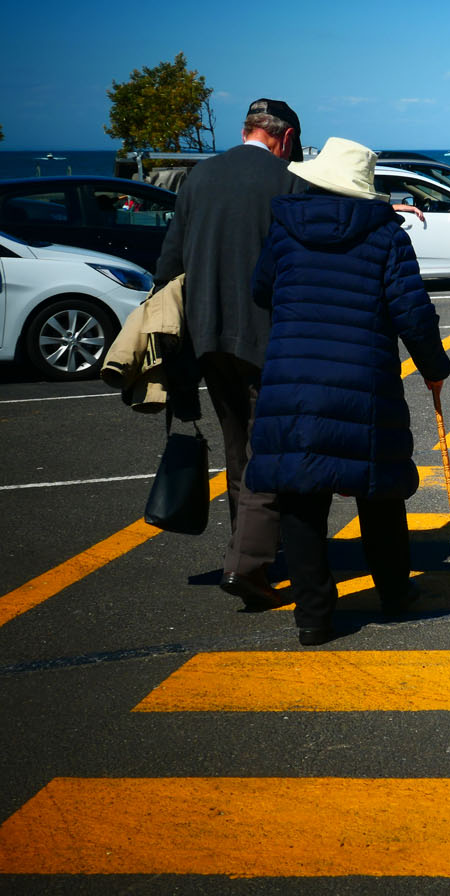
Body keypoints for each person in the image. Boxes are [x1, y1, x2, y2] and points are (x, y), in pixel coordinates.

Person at [245, 137, 450, 646]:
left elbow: (260, 289)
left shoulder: (285, 230)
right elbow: (412, 312)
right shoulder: (387, 236)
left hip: (293, 378)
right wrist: (434, 367)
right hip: (364, 378)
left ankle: (314, 618)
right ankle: (396, 594)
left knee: (300, 497)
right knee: (377, 490)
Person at [153, 98, 306, 609]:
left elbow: (169, 262)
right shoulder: (286, 181)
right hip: (266, 336)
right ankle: (248, 565)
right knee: (269, 450)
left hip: (207, 335)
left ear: (246, 131)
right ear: (283, 139)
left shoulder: (197, 178)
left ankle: (247, 544)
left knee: (237, 445)